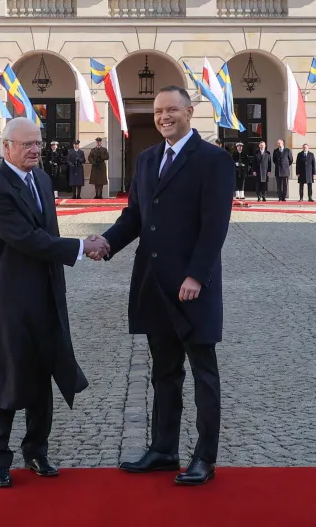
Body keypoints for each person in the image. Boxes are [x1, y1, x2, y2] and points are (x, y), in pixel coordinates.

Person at [92, 86, 234, 487]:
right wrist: (106, 243)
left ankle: (205, 457)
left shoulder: (213, 160)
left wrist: (196, 275)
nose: (164, 116)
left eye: (172, 109)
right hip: (154, 284)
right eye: (158, 111)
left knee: (204, 373)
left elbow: (214, 226)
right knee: (164, 373)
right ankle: (163, 449)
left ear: (190, 111)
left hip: (192, 287)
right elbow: (135, 216)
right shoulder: (147, 159)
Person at [0, 115, 102, 488]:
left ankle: (37, 450)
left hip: (45, 291)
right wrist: (82, 247)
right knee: (5, 374)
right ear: (6, 148)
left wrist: (68, 256)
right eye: (26, 144)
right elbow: (28, 238)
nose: (35, 150)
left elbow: (49, 233)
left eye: (38, 143)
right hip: (6, 297)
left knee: (44, 370)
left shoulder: (43, 180)